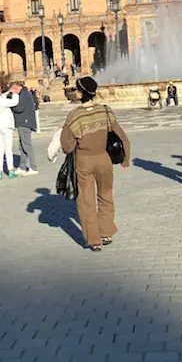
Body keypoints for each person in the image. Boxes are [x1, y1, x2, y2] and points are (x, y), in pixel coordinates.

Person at [60, 76, 130, 250]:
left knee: (86, 200)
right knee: (105, 195)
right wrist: (125, 159)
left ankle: (93, 240)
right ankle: (106, 232)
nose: (75, 92)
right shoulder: (105, 111)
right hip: (104, 159)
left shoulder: (74, 116)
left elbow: (67, 146)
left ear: (81, 93)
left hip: (84, 160)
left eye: (76, 90)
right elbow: (122, 137)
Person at [10, 81, 39, 176]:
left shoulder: (24, 94)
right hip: (22, 122)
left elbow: (19, 108)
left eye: (13, 89)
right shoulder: (23, 93)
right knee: (22, 146)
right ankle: (22, 167)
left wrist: (10, 106)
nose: (13, 92)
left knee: (27, 145)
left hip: (25, 122)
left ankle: (33, 167)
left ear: (17, 88)